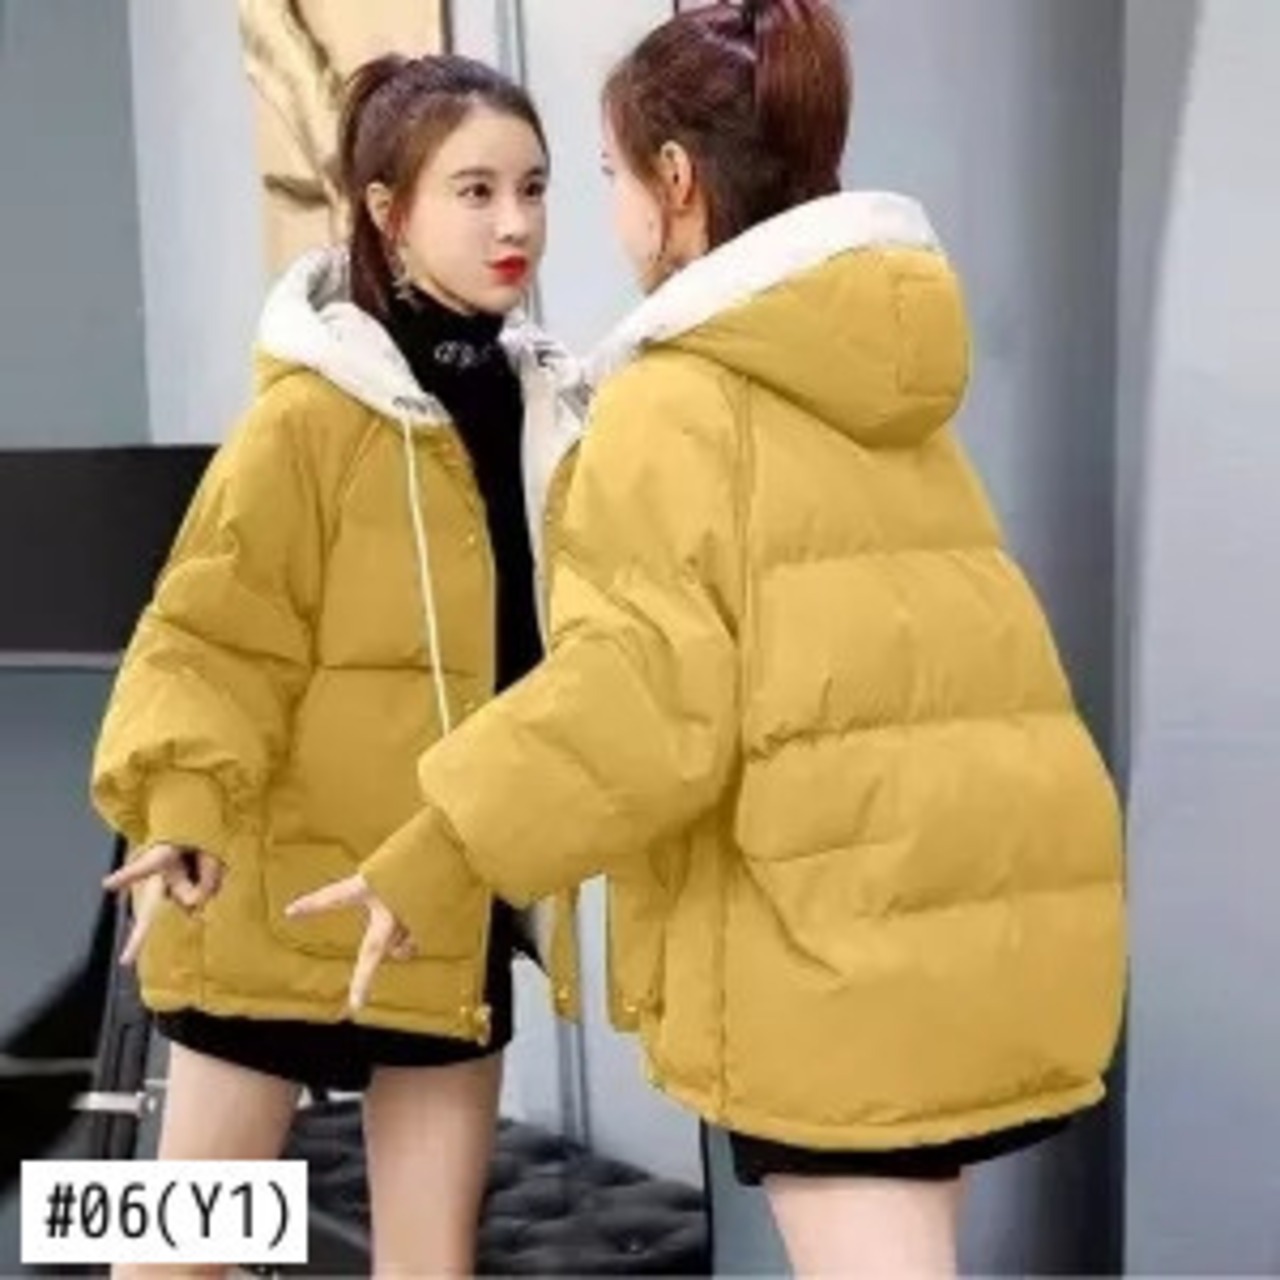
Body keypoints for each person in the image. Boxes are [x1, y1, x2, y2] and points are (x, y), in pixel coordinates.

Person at [289, 2, 1127, 1274]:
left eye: (604, 174)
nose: (597, 212)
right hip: (981, 892)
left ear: (673, 181)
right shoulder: (878, 369)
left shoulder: (676, 400)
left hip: (829, 928)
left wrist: (444, 842)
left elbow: (640, 697)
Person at [92, 52, 584, 1277]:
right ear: (385, 208)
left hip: (438, 898)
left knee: (428, 1263)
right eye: (474, 190)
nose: (514, 223)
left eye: (532, 187)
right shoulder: (308, 416)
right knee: (178, 1259)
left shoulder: (551, 415)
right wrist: (182, 802)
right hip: (273, 896)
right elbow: (207, 634)